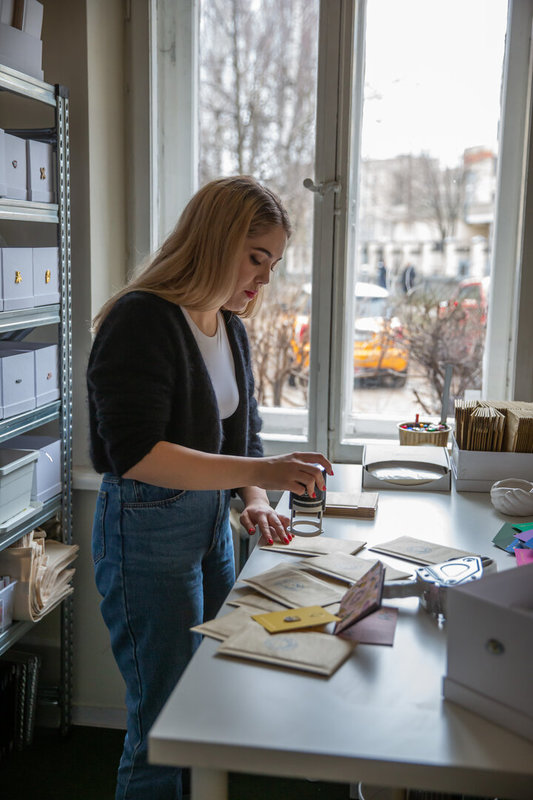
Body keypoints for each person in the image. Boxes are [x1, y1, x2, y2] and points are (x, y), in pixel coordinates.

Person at [86, 175, 333, 800]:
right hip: (143, 526)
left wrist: (254, 504)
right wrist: (262, 476)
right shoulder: (140, 318)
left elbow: (241, 438)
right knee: (165, 721)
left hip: (206, 527)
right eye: (257, 258)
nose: (265, 279)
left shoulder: (229, 327)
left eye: (273, 264)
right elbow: (137, 454)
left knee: (214, 697)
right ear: (216, 241)